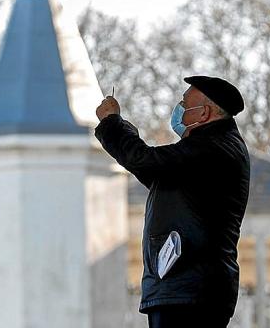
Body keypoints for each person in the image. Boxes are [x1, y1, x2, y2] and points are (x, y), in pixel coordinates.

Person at [94, 76, 250, 328]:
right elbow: (151, 171)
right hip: (186, 287)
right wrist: (123, 130)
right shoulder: (212, 148)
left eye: (184, 103)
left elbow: (144, 160)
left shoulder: (211, 148)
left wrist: (112, 123)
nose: (179, 110)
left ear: (204, 113)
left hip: (189, 288)